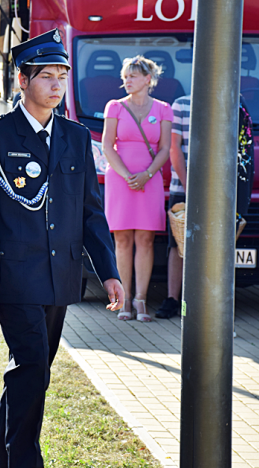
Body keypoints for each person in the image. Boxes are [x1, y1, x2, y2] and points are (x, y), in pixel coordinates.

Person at [0, 29, 124, 467]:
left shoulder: (76, 137)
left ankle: (5, 459)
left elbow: (90, 212)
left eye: (62, 76)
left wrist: (109, 270)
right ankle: (24, 459)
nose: (56, 85)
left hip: (60, 277)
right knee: (32, 366)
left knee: (31, 373)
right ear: (22, 80)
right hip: (14, 277)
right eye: (46, 77)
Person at [157, 94, 255, 319]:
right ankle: (173, 299)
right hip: (182, 190)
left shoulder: (231, 103)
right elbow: (174, 149)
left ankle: (208, 304)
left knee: (213, 247)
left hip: (219, 193)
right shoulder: (181, 104)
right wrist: (191, 188)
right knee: (177, 245)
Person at [102, 55, 172, 322]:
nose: (126, 80)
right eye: (125, 76)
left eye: (132, 76)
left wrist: (147, 174)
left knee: (145, 239)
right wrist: (128, 175)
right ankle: (125, 301)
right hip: (121, 180)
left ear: (147, 79)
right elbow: (108, 145)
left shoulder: (164, 109)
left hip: (149, 180)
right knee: (122, 240)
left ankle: (141, 300)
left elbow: (165, 148)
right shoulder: (115, 107)